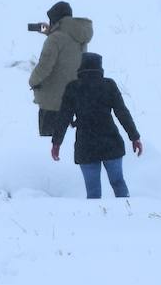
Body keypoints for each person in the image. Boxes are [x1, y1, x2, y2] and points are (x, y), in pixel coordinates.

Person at [50, 52, 142, 198]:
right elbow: (122, 112)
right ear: (100, 67)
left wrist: (56, 143)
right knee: (118, 183)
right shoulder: (109, 85)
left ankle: (96, 218)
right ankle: (127, 214)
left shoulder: (73, 88)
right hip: (111, 142)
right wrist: (134, 137)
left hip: (86, 145)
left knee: (93, 191)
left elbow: (63, 117)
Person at [28, 1, 93, 137]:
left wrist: (32, 81)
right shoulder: (80, 36)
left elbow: (44, 67)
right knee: (65, 144)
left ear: (56, 19)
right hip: (72, 98)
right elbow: (67, 47)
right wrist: (51, 32)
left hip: (52, 102)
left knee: (49, 144)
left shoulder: (55, 39)